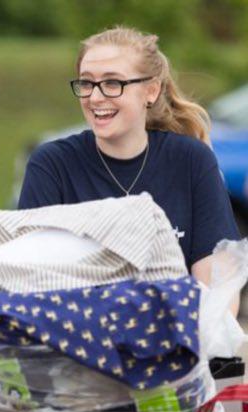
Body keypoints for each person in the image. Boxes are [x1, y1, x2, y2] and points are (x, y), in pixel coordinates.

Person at [18, 26, 240, 291]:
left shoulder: (191, 160)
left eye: (113, 83)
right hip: (79, 328)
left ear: (151, 91)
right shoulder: (51, 164)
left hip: (176, 328)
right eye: (87, 83)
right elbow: (30, 277)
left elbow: (220, 284)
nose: (95, 97)